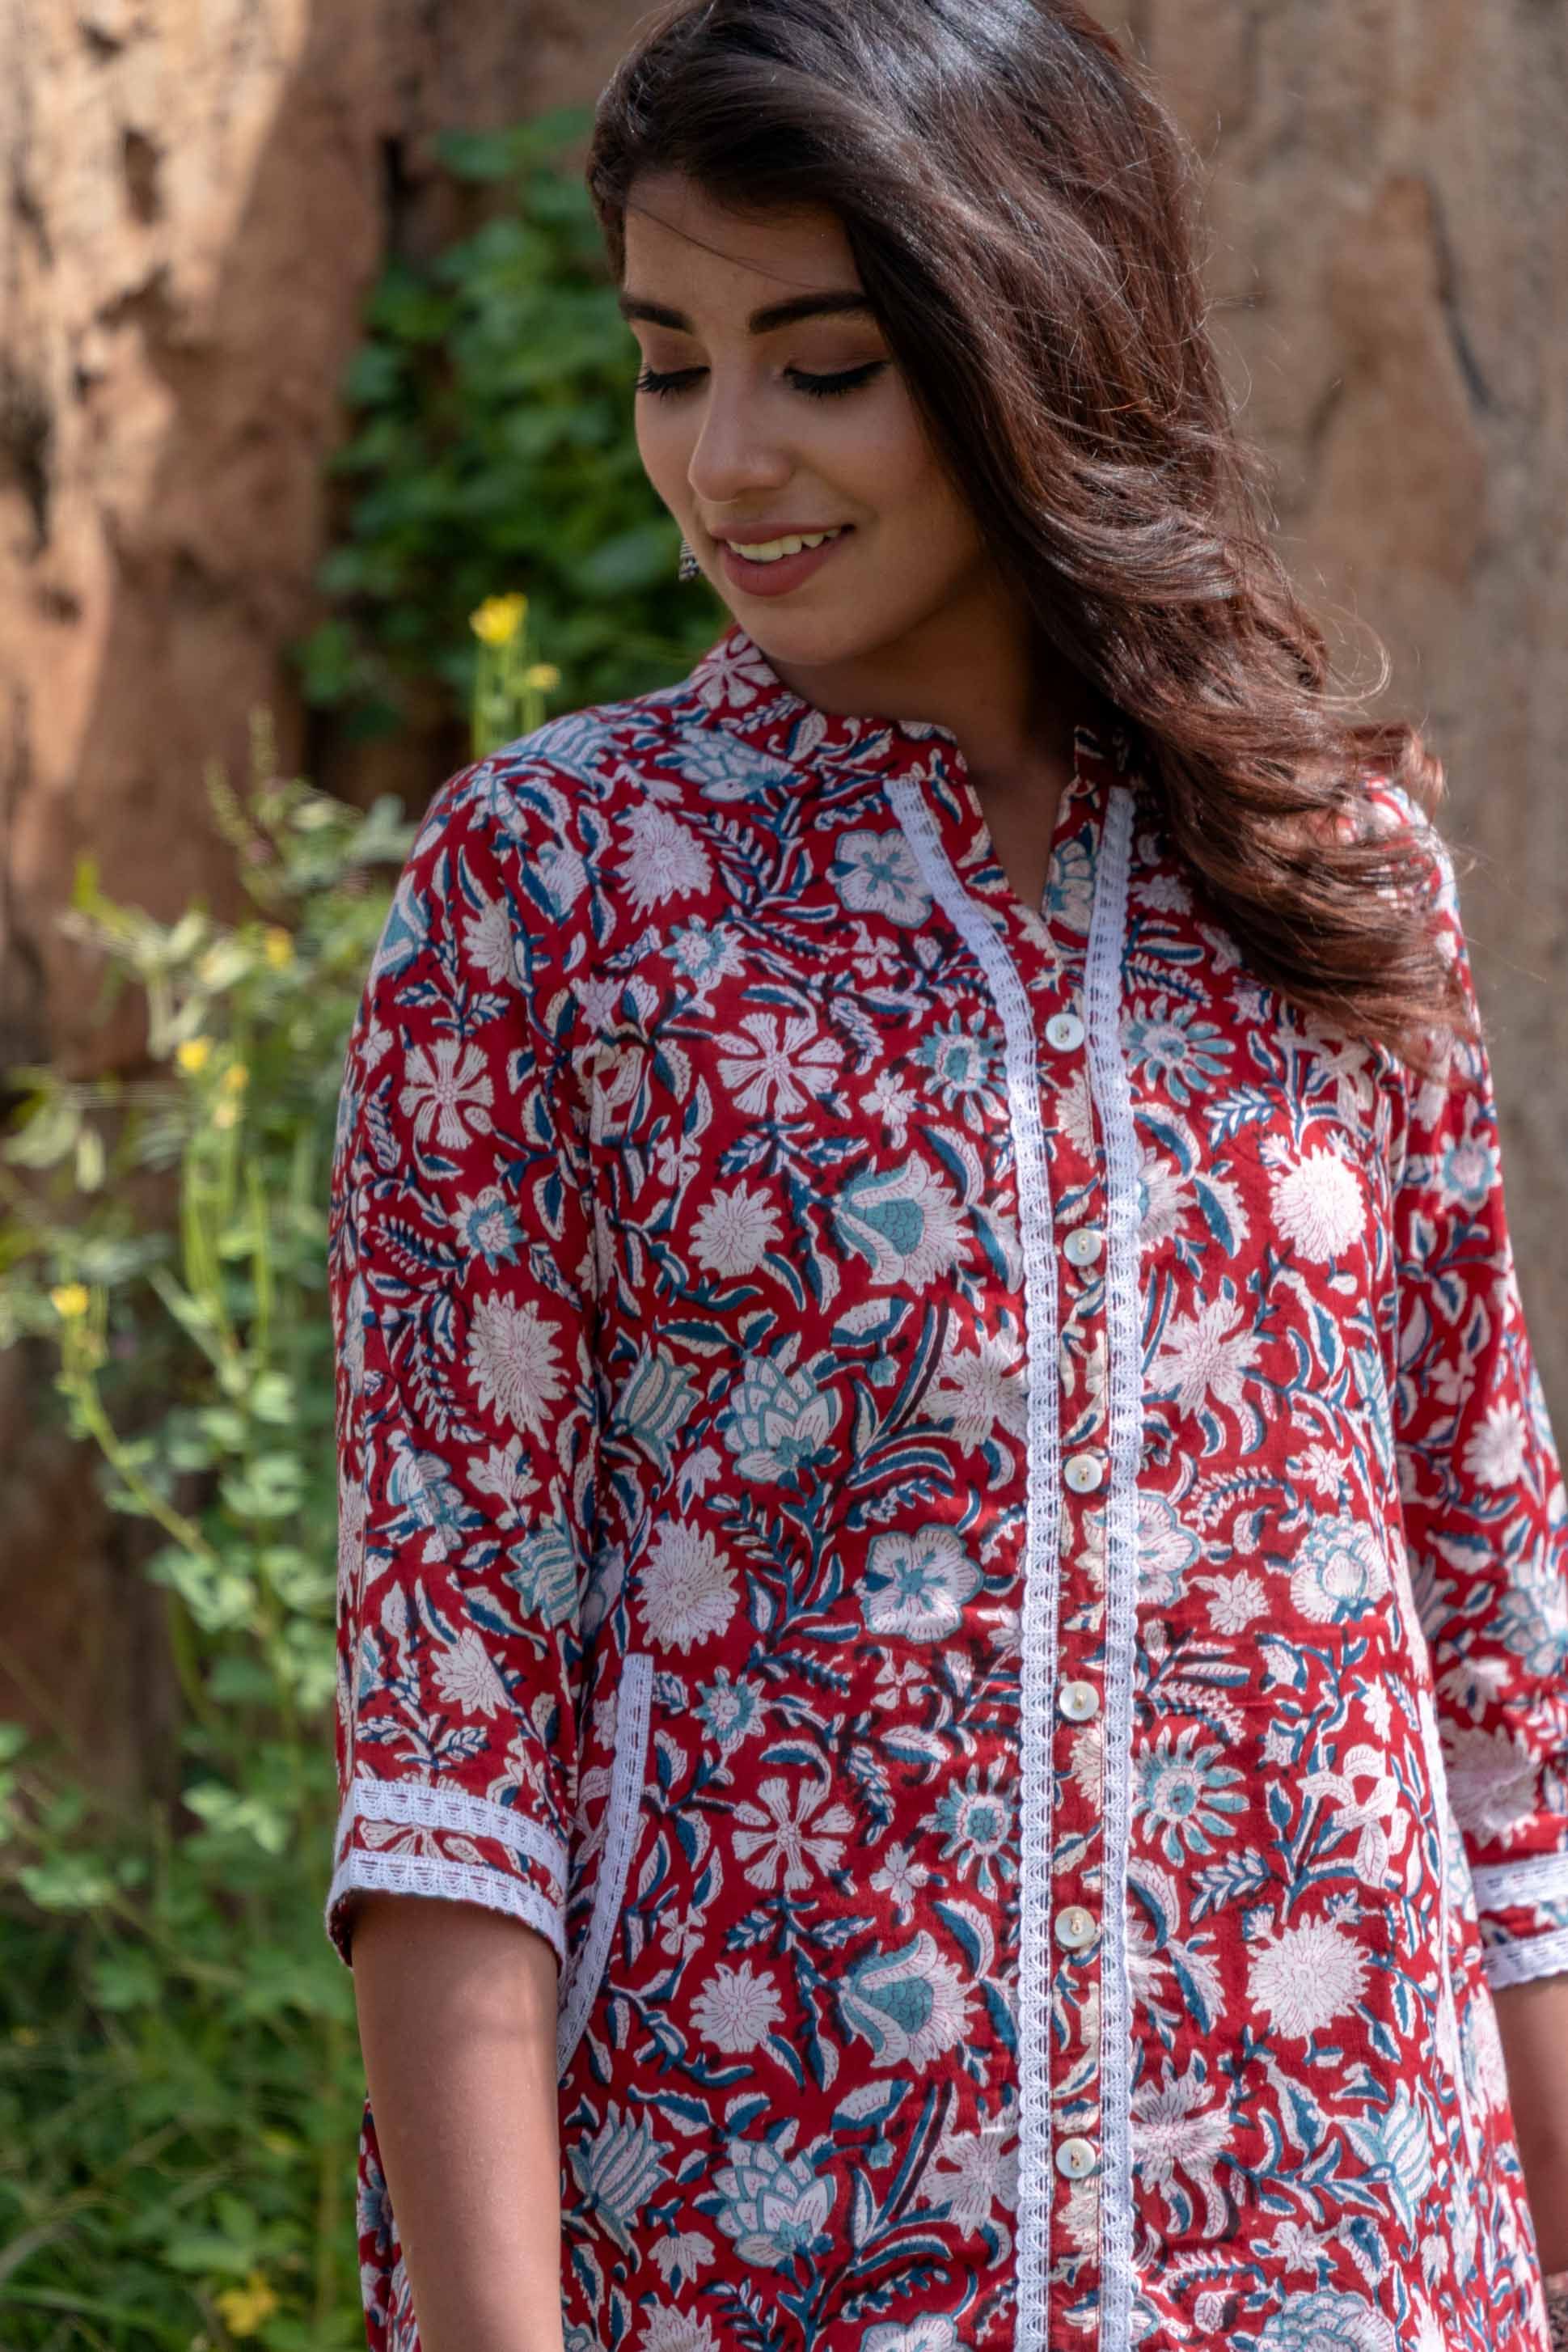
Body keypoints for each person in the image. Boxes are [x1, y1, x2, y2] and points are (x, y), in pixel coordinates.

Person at [323, 3, 1568, 2347]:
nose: (723, 458)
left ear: (1031, 342)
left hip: (1344, 2240)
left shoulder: (1328, 879)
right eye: (665, 361)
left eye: (819, 364)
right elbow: (449, 1719)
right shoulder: (555, 890)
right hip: (757, 2234)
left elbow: (1488, 1629)